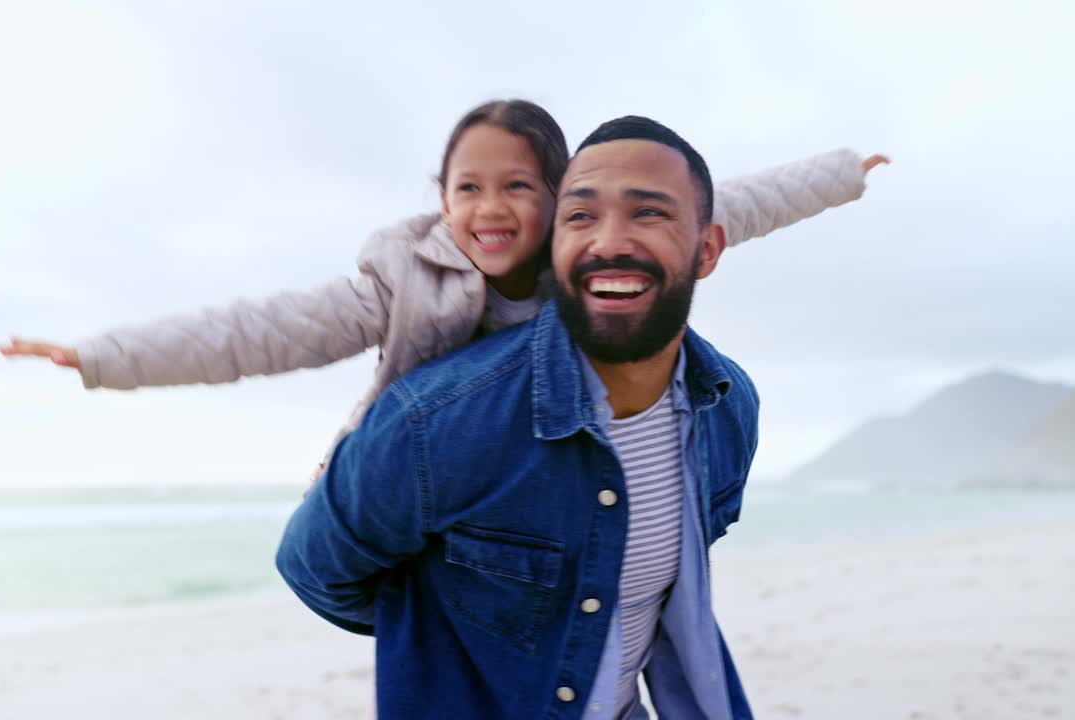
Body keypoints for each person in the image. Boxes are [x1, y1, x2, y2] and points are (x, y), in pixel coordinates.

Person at [0, 99, 886, 471]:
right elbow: (258, 331)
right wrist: (102, 356)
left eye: (518, 187)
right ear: (441, 199)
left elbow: (742, 200)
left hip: (541, 472)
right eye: (468, 188)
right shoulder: (403, 280)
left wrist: (845, 171)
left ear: (561, 194)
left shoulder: (594, 258)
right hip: (416, 473)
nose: (490, 210)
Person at [277, 115, 766, 718]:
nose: (609, 241)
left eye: (648, 213)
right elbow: (313, 568)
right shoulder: (433, 422)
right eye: (580, 216)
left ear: (707, 248)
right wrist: (452, 639)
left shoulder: (726, 405)